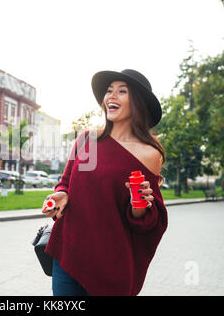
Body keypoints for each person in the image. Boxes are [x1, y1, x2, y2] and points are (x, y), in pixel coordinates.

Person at [43, 69, 168, 296]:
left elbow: (149, 222)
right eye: (109, 91)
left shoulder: (148, 155)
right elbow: (65, 183)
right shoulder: (86, 139)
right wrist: (61, 195)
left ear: (137, 102)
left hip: (110, 266)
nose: (112, 96)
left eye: (122, 91)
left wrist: (139, 207)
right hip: (68, 255)